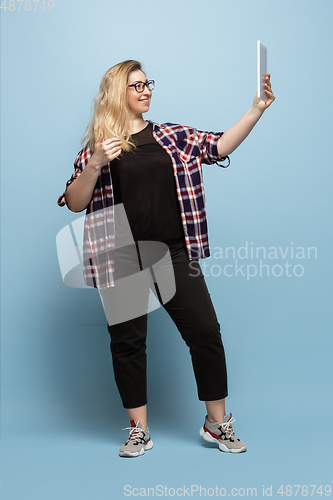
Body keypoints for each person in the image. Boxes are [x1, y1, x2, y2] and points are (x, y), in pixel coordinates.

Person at [57, 59, 275, 458]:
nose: (145, 90)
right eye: (135, 85)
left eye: (147, 83)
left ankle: (216, 424)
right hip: (120, 257)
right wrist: (95, 164)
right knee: (128, 343)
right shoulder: (99, 147)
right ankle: (139, 430)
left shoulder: (172, 136)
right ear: (116, 93)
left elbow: (219, 145)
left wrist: (256, 108)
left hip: (174, 252)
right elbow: (74, 203)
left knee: (206, 333)